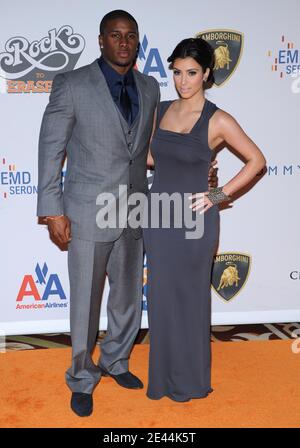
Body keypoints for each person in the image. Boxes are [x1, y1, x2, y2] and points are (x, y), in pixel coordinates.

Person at [37, 11, 218, 416]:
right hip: (86, 209)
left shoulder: (150, 86)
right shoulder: (72, 83)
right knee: (85, 298)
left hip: (138, 208)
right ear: (101, 40)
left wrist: (199, 164)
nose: (124, 42)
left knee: (126, 295)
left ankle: (116, 360)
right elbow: (51, 148)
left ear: (138, 42)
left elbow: (158, 147)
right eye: (115, 35)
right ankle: (82, 377)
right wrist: (52, 210)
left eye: (131, 36)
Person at [143, 38, 266, 402]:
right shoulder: (160, 110)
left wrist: (217, 193)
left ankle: (190, 381)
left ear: (207, 74)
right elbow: (151, 159)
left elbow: (257, 161)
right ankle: (162, 380)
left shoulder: (219, 119)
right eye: (177, 72)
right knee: (162, 298)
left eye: (192, 73)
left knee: (191, 298)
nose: (183, 81)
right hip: (158, 217)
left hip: (195, 224)